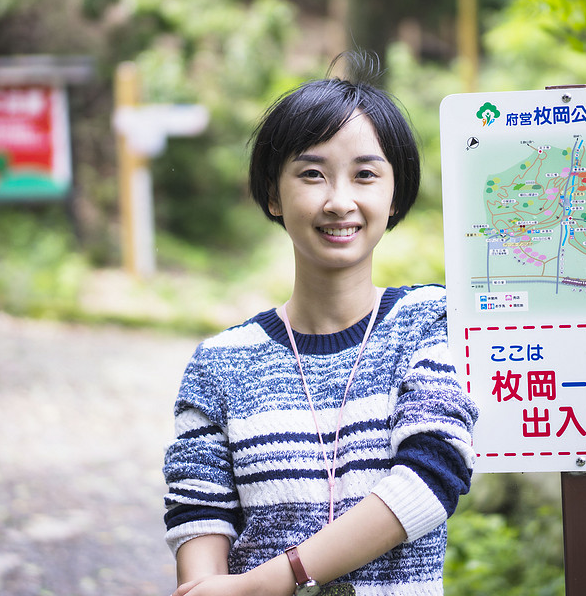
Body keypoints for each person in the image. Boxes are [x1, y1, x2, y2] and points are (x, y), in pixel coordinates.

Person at [162, 54, 477, 596]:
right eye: (312, 174)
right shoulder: (218, 365)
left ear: (395, 195)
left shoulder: (432, 322)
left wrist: (269, 583)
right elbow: (198, 521)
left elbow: (433, 475)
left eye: (365, 174)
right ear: (271, 194)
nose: (339, 201)